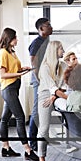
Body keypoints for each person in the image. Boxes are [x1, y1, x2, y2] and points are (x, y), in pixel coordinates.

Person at [0, 27, 39, 161]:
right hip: (8, 88)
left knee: (5, 118)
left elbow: (13, 69)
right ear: (9, 39)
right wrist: (19, 74)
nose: (17, 40)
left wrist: (22, 69)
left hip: (14, 88)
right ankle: (28, 150)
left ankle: (5, 148)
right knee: (20, 117)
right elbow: (2, 74)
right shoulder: (3, 53)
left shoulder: (12, 53)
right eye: (15, 37)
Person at [37, 40, 67, 161]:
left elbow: (62, 87)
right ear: (55, 51)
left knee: (71, 112)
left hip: (56, 95)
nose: (64, 51)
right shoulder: (45, 68)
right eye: (61, 49)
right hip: (45, 95)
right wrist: (66, 97)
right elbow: (52, 88)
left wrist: (55, 96)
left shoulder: (62, 65)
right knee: (43, 128)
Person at [28, 18, 53, 151]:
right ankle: (33, 142)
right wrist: (40, 81)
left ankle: (43, 138)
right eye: (48, 25)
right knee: (37, 111)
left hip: (47, 81)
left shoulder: (47, 41)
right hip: (40, 82)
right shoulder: (36, 43)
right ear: (41, 29)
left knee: (45, 110)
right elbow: (34, 64)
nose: (51, 27)